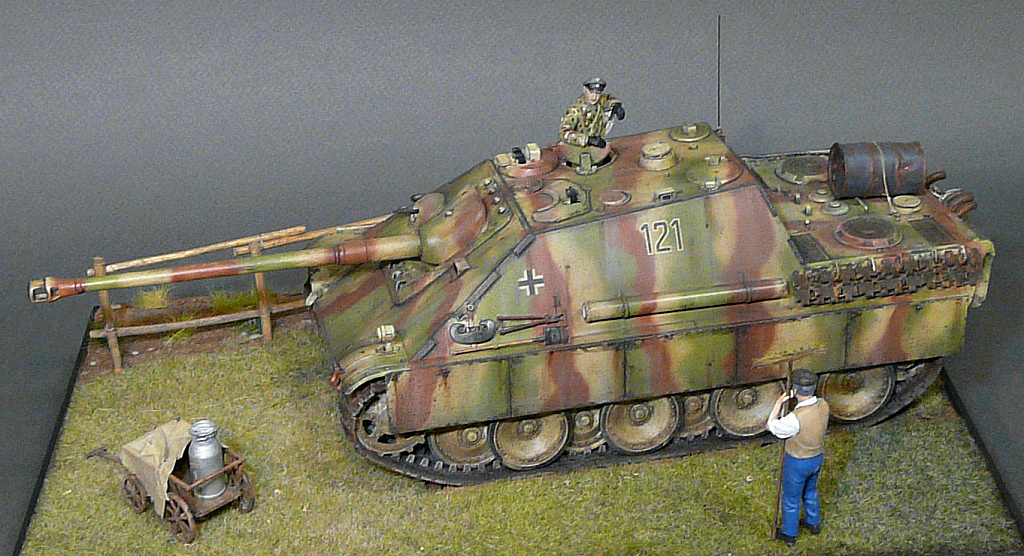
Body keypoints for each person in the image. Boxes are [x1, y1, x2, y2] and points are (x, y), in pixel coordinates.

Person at [767, 369, 830, 547]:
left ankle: (789, 534)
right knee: (810, 491)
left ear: (794, 390)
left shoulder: (795, 419)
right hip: (817, 457)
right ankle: (813, 523)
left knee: (791, 498)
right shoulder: (824, 405)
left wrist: (779, 403)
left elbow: (771, 426)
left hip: (798, 461)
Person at [559, 77, 625, 149]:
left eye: (598, 93)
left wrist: (617, 105)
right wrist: (587, 140)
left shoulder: (599, 103)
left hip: (596, 147)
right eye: (591, 92)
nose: (594, 97)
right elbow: (564, 133)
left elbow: (608, 98)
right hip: (577, 148)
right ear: (585, 89)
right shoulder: (575, 110)